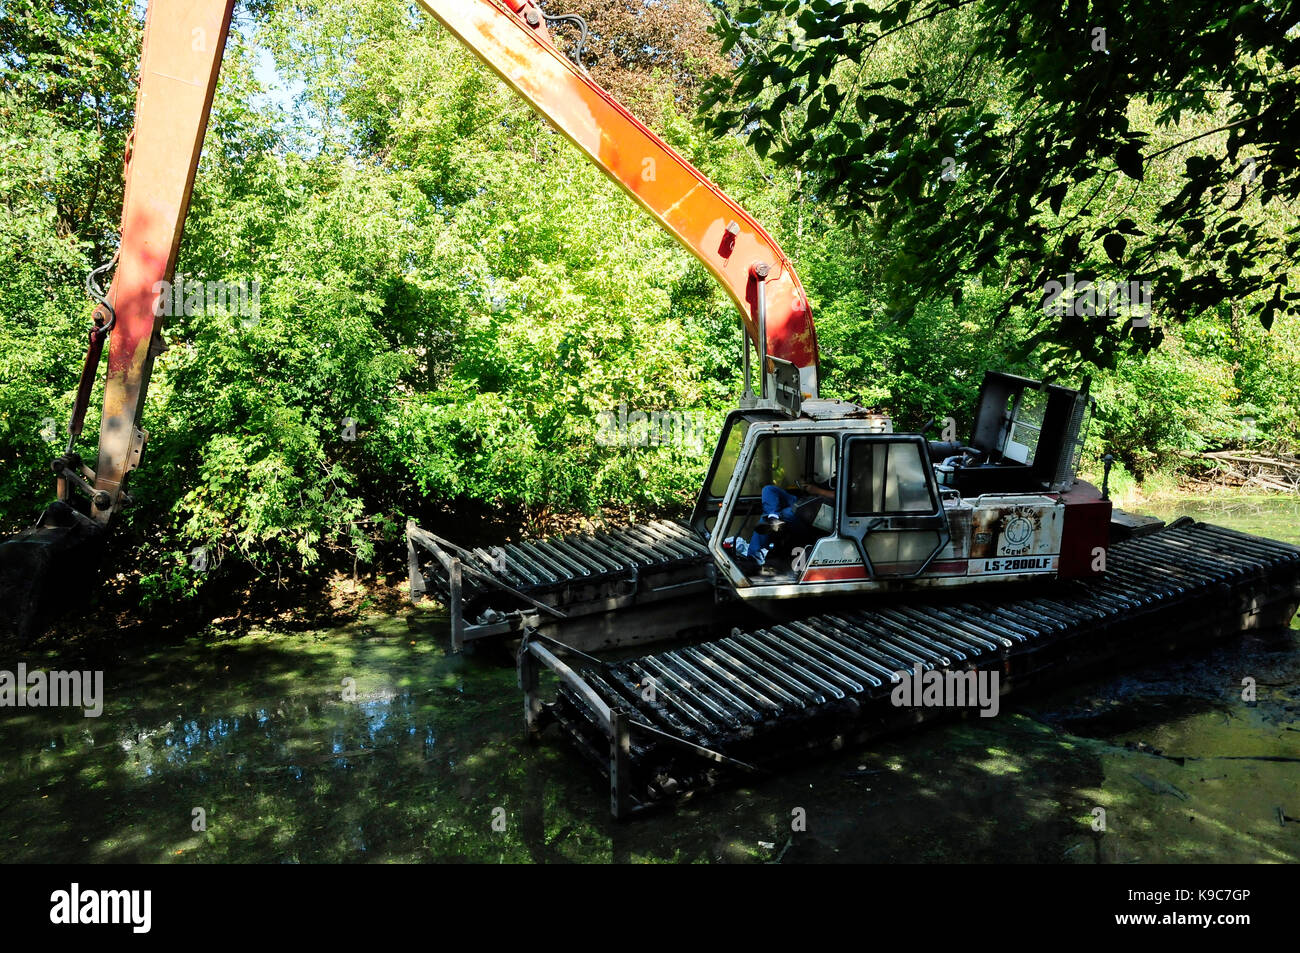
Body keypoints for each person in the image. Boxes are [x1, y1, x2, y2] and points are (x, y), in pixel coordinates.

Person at [745, 477, 834, 568]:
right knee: (769, 490)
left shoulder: (844, 477)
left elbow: (842, 496)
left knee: (777, 516)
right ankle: (773, 519)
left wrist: (817, 490)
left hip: (818, 516)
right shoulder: (832, 479)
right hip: (804, 502)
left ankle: (753, 559)